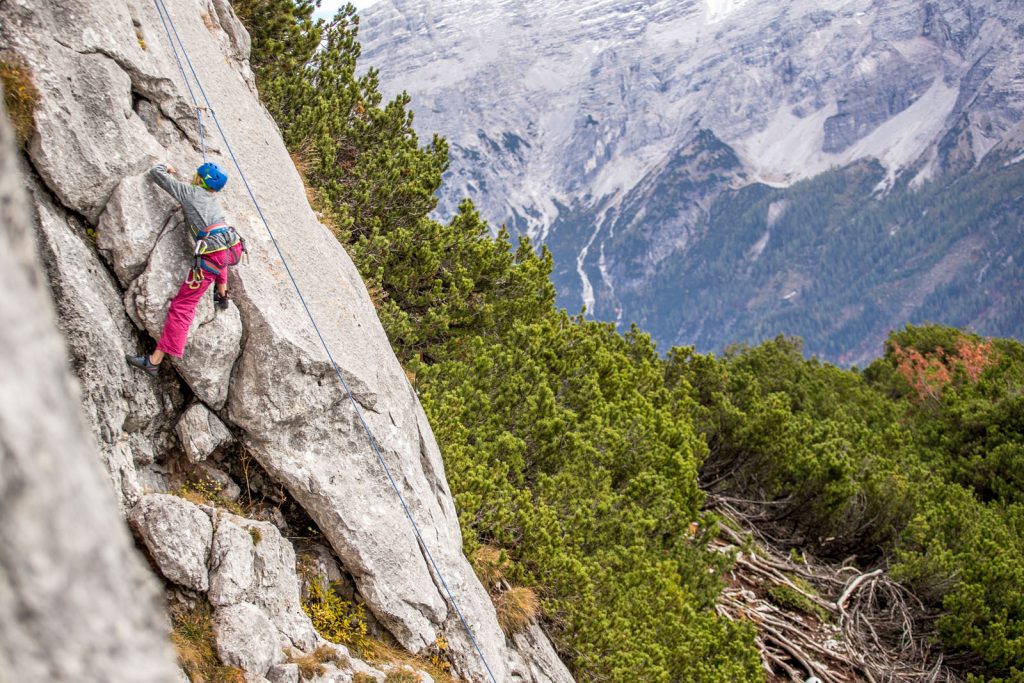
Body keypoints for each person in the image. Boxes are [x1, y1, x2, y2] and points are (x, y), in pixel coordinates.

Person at [127, 161, 244, 376]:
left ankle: (154, 361)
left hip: (213, 254)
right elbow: (222, 257)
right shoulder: (213, 201)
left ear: (200, 179)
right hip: (229, 247)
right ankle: (222, 294)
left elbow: (156, 174)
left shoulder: (189, 192)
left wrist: (168, 167)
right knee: (219, 257)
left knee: (183, 305)